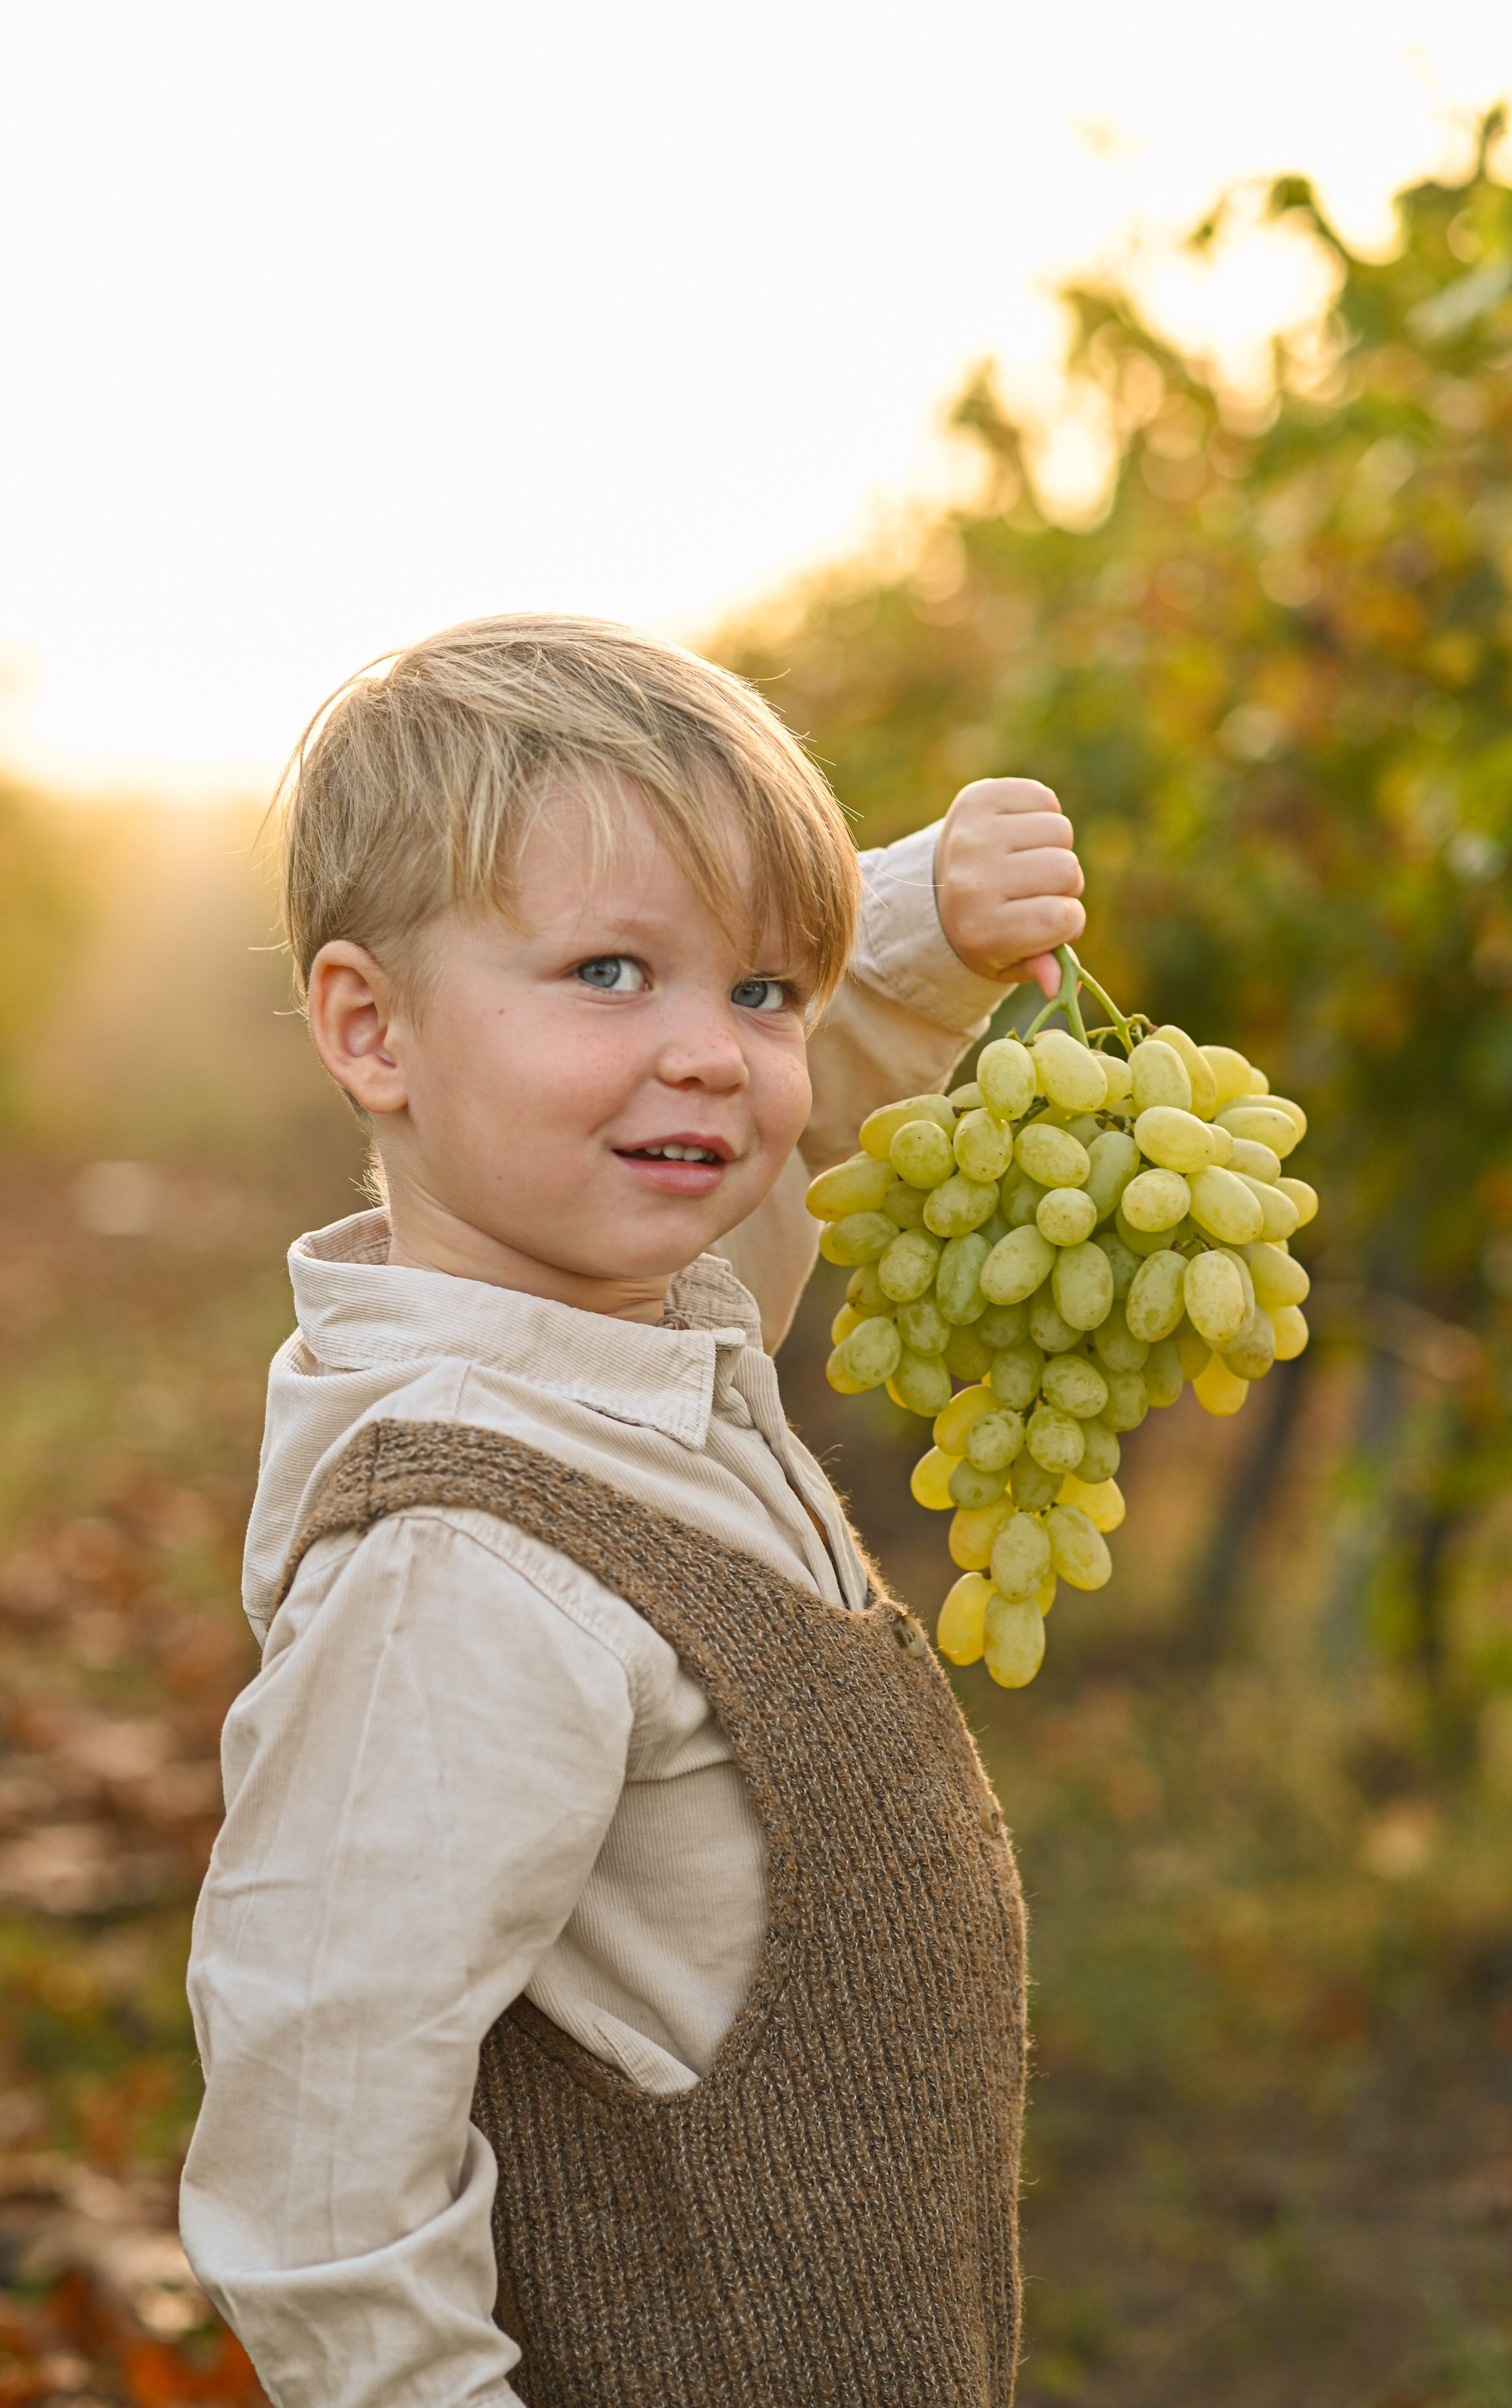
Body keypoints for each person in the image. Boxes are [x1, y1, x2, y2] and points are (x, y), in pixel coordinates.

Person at [179, 614, 1085, 2408]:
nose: (711, 1056)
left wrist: (914, 926)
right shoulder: (460, 1572)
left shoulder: (643, 1328)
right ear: (372, 1031)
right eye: (609, 973)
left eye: (760, 992)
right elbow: (316, 2171)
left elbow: (803, 1131)